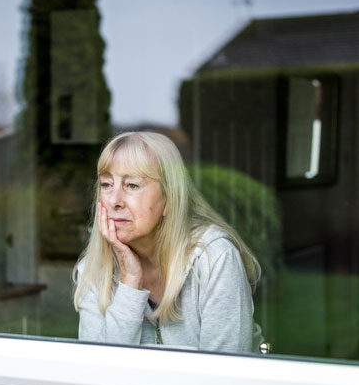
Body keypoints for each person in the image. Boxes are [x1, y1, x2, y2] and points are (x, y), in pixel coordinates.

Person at [73, 131, 263, 353]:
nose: (114, 200)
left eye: (132, 185)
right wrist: (130, 284)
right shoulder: (93, 269)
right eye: (106, 184)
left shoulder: (215, 258)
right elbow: (97, 369)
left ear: (169, 199)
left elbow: (224, 375)